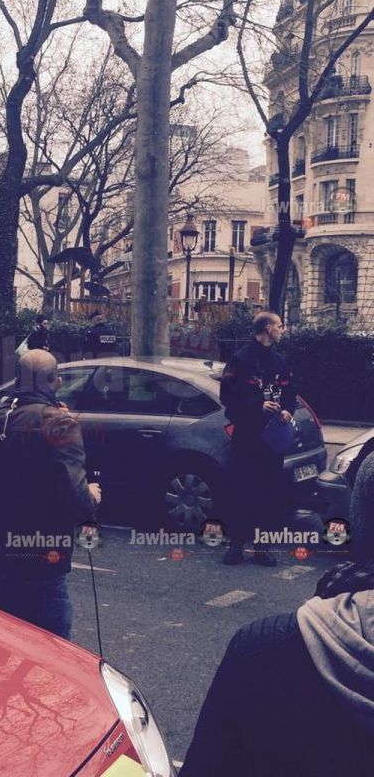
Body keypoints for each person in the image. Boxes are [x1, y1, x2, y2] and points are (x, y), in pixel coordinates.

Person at [179, 456, 374, 777]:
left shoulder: (262, 650)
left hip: (259, 462)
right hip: (252, 459)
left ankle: (251, 546)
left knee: (254, 505)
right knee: (250, 505)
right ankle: (244, 546)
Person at [0, 349, 101, 639]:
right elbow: (77, 499)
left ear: (17, 380)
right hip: (40, 562)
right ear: (57, 382)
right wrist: (92, 495)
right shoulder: (59, 423)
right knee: (51, 653)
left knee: (1, 647)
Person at [219, 310, 296, 567]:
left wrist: (287, 410)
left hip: (272, 440)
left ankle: (262, 548)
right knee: (241, 490)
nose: (282, 330)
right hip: (247, 437)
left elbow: (290, 393)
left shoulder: (280, 361)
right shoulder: (240, 359)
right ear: (267, 329)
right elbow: (227, 397)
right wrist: (257, 406)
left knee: (268, 493)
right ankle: (236, 546)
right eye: (280, 325)